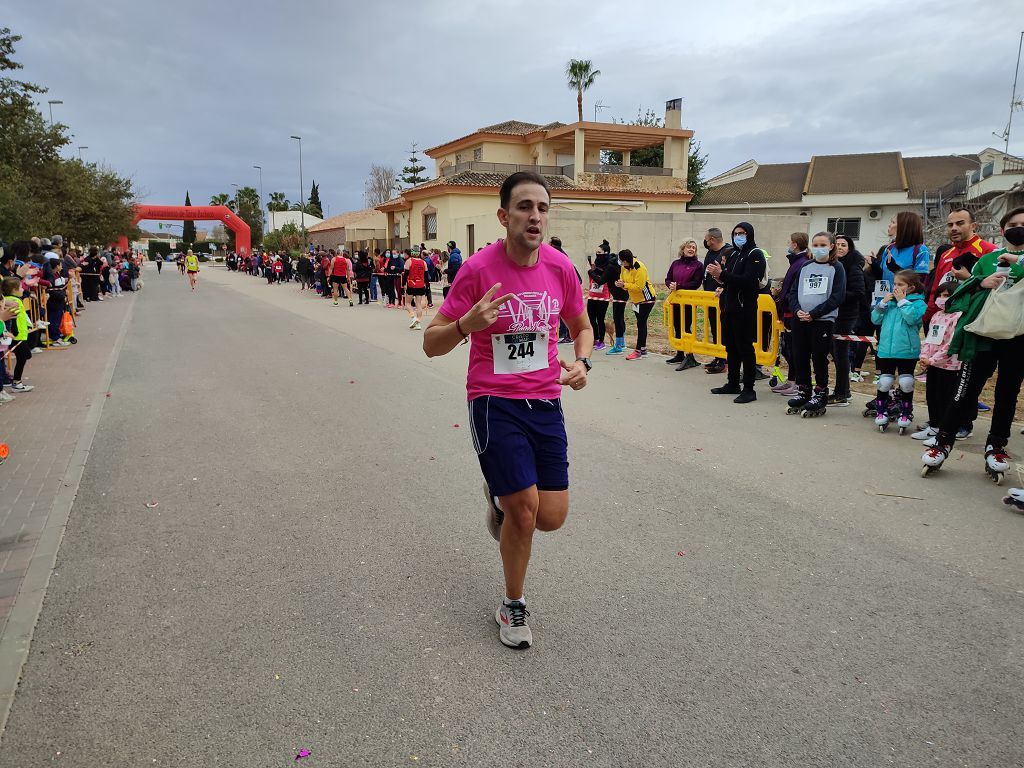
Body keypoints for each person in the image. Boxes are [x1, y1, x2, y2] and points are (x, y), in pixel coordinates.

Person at [422, 171, 591, 650]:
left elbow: (581, 326)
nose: (534, 215)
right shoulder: (476, 269)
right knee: (523, 512)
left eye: (541, 207)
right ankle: (512, 604)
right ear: (504, 216)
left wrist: (582, 362)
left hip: (546, 401)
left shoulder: (560, 268)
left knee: (551, 515)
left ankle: (499, 495)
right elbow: (431, 344)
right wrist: (465, 324)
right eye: (524, 207)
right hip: (494, 402)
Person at [922, 206, 1024, 480]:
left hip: (1017, 338)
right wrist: (980, 282)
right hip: (983, 336)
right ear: (1003, 230)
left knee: (1007, 393)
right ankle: (943, 441)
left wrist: (1019, 262)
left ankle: (996, 445)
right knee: (965, 389)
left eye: (1023, 223)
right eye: (1012, 224)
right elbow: (961, 295)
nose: (1018, 228)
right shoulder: (988, 259)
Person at [784, 232, 847, 417]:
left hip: (822, 321)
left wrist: (814, 314)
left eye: (823, 245)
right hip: (800, 319)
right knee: (800, 356)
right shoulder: (805, 266)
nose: (819, 248)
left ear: (831, 246)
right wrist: (797, 310)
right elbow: (793, 291)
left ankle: (820, 393)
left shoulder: (836, 268)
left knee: (819, 357)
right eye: (816, 245)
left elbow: (837, 296)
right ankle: (803, 390)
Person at [705, 222, 766, 403]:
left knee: (745, 349)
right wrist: (719, 277)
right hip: (729, 308)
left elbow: (748, 281)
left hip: (744, 309)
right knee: (731, 348)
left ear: (750, 235)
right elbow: (730, 280)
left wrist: (722, 275)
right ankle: (732, 383)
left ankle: (749, 388)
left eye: (742, 233)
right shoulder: (734, 254)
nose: (738, 236)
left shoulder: (755, 254)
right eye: (736, 233)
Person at [868, 269, 926, 433]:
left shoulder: (918, 303)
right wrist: (882, 304)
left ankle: (906, 413)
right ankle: (881, 411)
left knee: (906, 383)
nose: (895, 287)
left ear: (912, 287)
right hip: (886, 350)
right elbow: (875, 319)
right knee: (885, 382)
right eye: (894, 284)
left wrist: (902, 302)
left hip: (906, 351)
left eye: (900, 284)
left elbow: (912, 319)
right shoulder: (889, 302)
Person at [914, 282, 971, 442]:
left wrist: (933, 359)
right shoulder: (937, 315)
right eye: (939, 295)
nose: (941, 299)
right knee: (931, 395)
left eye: (946, 295)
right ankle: (933, 426)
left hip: (949, 365)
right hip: (932, 364)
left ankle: (943, 431)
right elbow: (930, 339)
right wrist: (924, 357)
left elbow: (951, 344)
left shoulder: (959, 316)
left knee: (944, 398)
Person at [923, 208, 995, 324]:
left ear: (973, 226)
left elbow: (996, 288)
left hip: (976, 319)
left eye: (960, 223)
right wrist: (927, 317)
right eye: (950, 225)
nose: (954, 228)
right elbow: (936, 291)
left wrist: (970, 279)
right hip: (946, 321)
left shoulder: (989, 250)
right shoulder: (945, 255)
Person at [769, 233, 809, 395]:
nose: (788, 245)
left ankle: (798, 383)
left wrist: (786, 299)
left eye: (789, 242)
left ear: (795, 244)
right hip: (786, 312)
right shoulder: (795, 262)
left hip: (793, 312)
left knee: (795, 350)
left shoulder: (802, 263)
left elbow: (796, 289)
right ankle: (792, 380)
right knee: (788, 349)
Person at [829, 234, 865, 405]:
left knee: (840, 354)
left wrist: (836, 296)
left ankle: (842, 392)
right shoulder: (832, 264)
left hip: (846, 314)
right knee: (835, 354)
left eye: (844, 244)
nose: (840, 247)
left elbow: (859, 292)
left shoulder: (853, 266)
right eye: (837, 244)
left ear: (849, 248)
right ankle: (842, 390)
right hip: (831, 313)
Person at [664, 240, 705, 370]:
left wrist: (679, 286)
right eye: (689, 247)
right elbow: (668, 278)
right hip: (676, 301)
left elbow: (696, 283)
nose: (691, 249)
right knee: (677, 326)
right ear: (683, 249)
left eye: (694, 247)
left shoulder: (698, 265)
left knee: (686, 327)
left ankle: (690, 355)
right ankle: (680, 353)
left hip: (689, 302)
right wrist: (670, 284)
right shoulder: (676, 263)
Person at [701, 228, 734, 373]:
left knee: (723, 329)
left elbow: (730, 275)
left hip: (723, 299)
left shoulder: (728, 252)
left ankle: (725, 360)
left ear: (712, 239)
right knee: (714, 328)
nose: (705, 242)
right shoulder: (710, 252)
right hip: (710, 298)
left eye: (706, 239)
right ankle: (717, 356)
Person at [615, 249, 656, 360]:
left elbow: (639, 287)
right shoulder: (624, 267)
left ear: (626, 260)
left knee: (640, 323)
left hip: (646, 298)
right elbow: (623, 281)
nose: (621, 264)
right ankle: (643, 349)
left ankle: (638, 351)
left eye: (622, 261)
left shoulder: (639, 267)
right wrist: (621, 284)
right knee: (641, 323)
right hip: (635, 299)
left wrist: (625, 284)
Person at [2, 276, 34, 392]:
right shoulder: (13, 302)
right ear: (14, 290)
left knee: (26, 355)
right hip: (17, 336)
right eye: (20, 287)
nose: (22, 289)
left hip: (21, 335)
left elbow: (22, 316)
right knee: (22, 358)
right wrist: (14, 333)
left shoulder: (14, 300)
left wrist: (28, 324)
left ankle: (14, 381)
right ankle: (17, 382)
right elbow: (12, 319)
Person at [601, 243, 628, 354]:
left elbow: (601, 280)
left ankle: (618, 346)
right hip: (622, 295)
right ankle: (621, 343)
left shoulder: (611, 267)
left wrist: (590, 272)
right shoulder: (618, 266)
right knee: (619, 318)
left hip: (619, 295)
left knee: (618, 319)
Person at [585, 250, 611, 351]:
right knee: (591, 319)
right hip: (592, 297)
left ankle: (601, 341)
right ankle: (595, 338)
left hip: (603, 298)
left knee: (600, 319)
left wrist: (593, 271)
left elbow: (600, 280)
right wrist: (592, 269)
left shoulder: (607, 271)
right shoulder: (592, 271)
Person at [404, 248, 428, 329]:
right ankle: (418, 323)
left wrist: (404, 284)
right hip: (421, 284)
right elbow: (426, 276)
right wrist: (427, 286)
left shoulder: (409, 261)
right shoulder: (423, 262)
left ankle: (413, 317)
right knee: (418, 304)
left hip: (411, 284)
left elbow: (405, 274)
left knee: (407, 304)